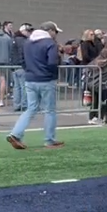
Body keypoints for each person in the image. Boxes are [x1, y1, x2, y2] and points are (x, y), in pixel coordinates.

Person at [5, 21, 63, 150]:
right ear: (50, 31)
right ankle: (49, 139)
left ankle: (15, 133)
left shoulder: (28, 42)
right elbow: (52, 62)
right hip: (46, 79)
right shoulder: (50, 43)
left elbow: (22, 60)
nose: (56, 34)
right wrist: (53, 74)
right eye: (55, 32)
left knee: (31, 108)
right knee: (50, 110)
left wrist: (30, 70)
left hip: (30, 78)